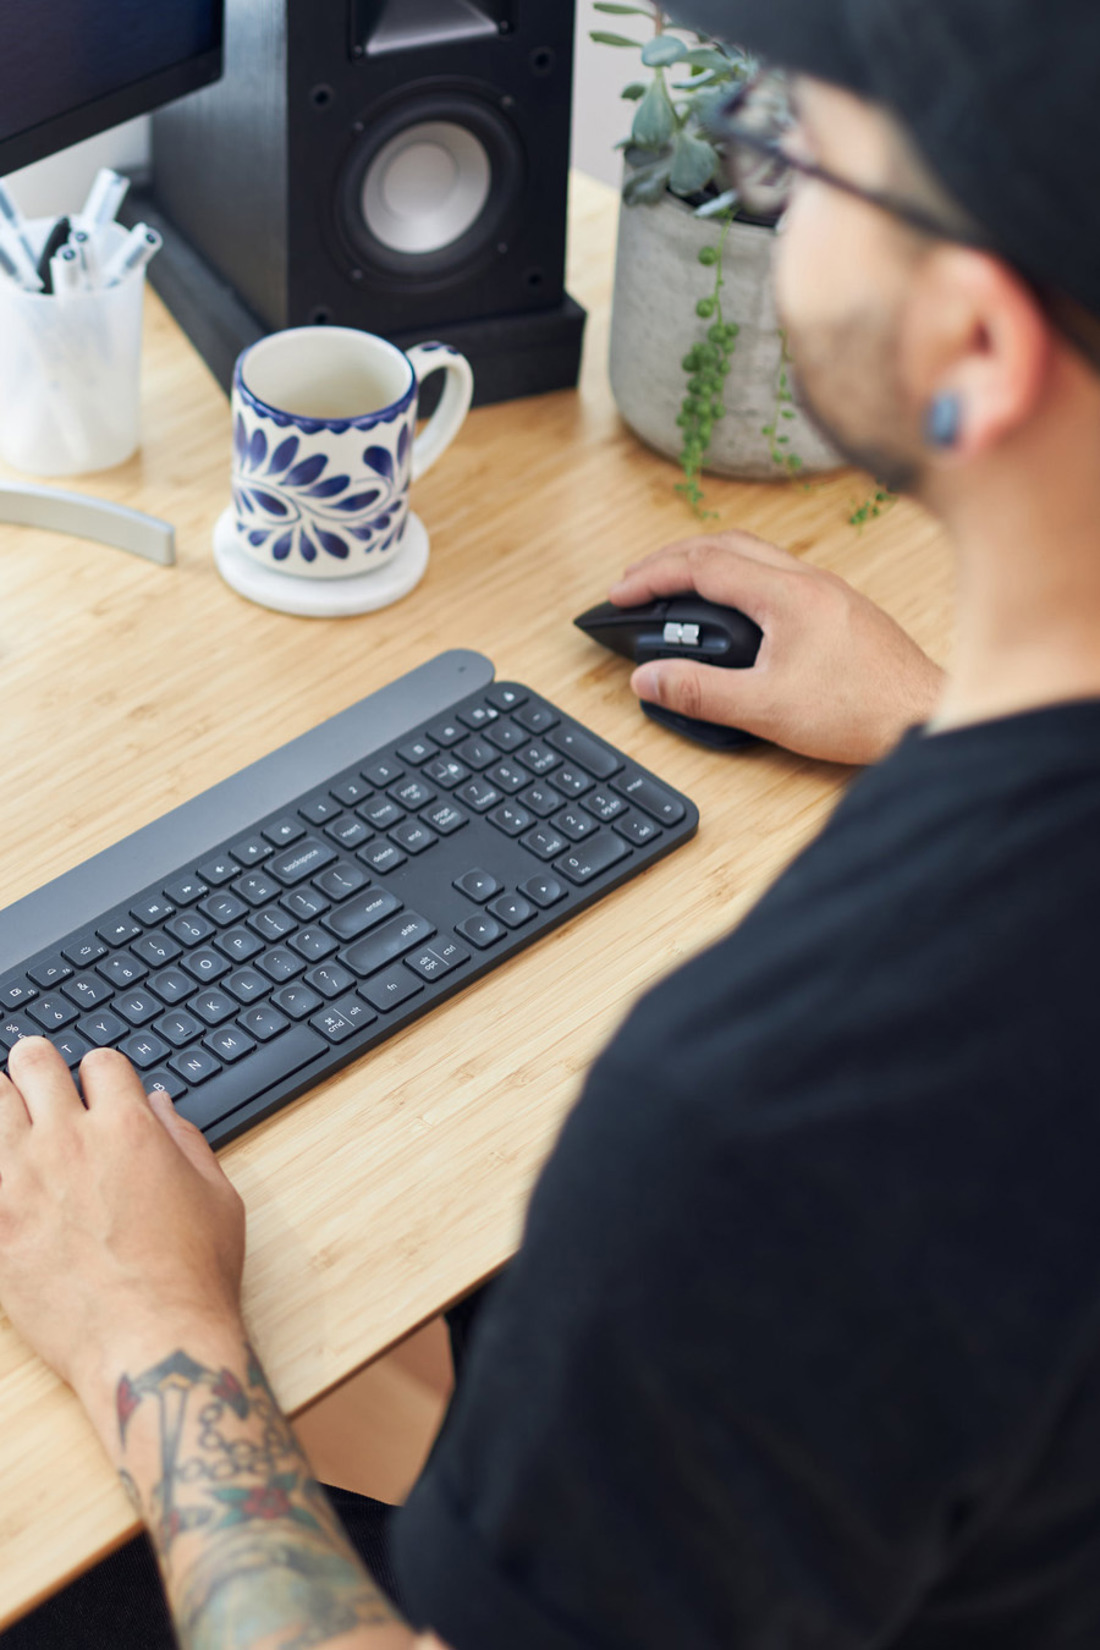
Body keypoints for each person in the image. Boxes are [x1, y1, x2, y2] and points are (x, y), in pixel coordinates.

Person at [5, 0, 1100, 1643]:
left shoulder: (772, 1135)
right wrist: (938, 722)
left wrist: (152, 1325)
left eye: (798, 152)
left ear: (980, 350)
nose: (771, 190)